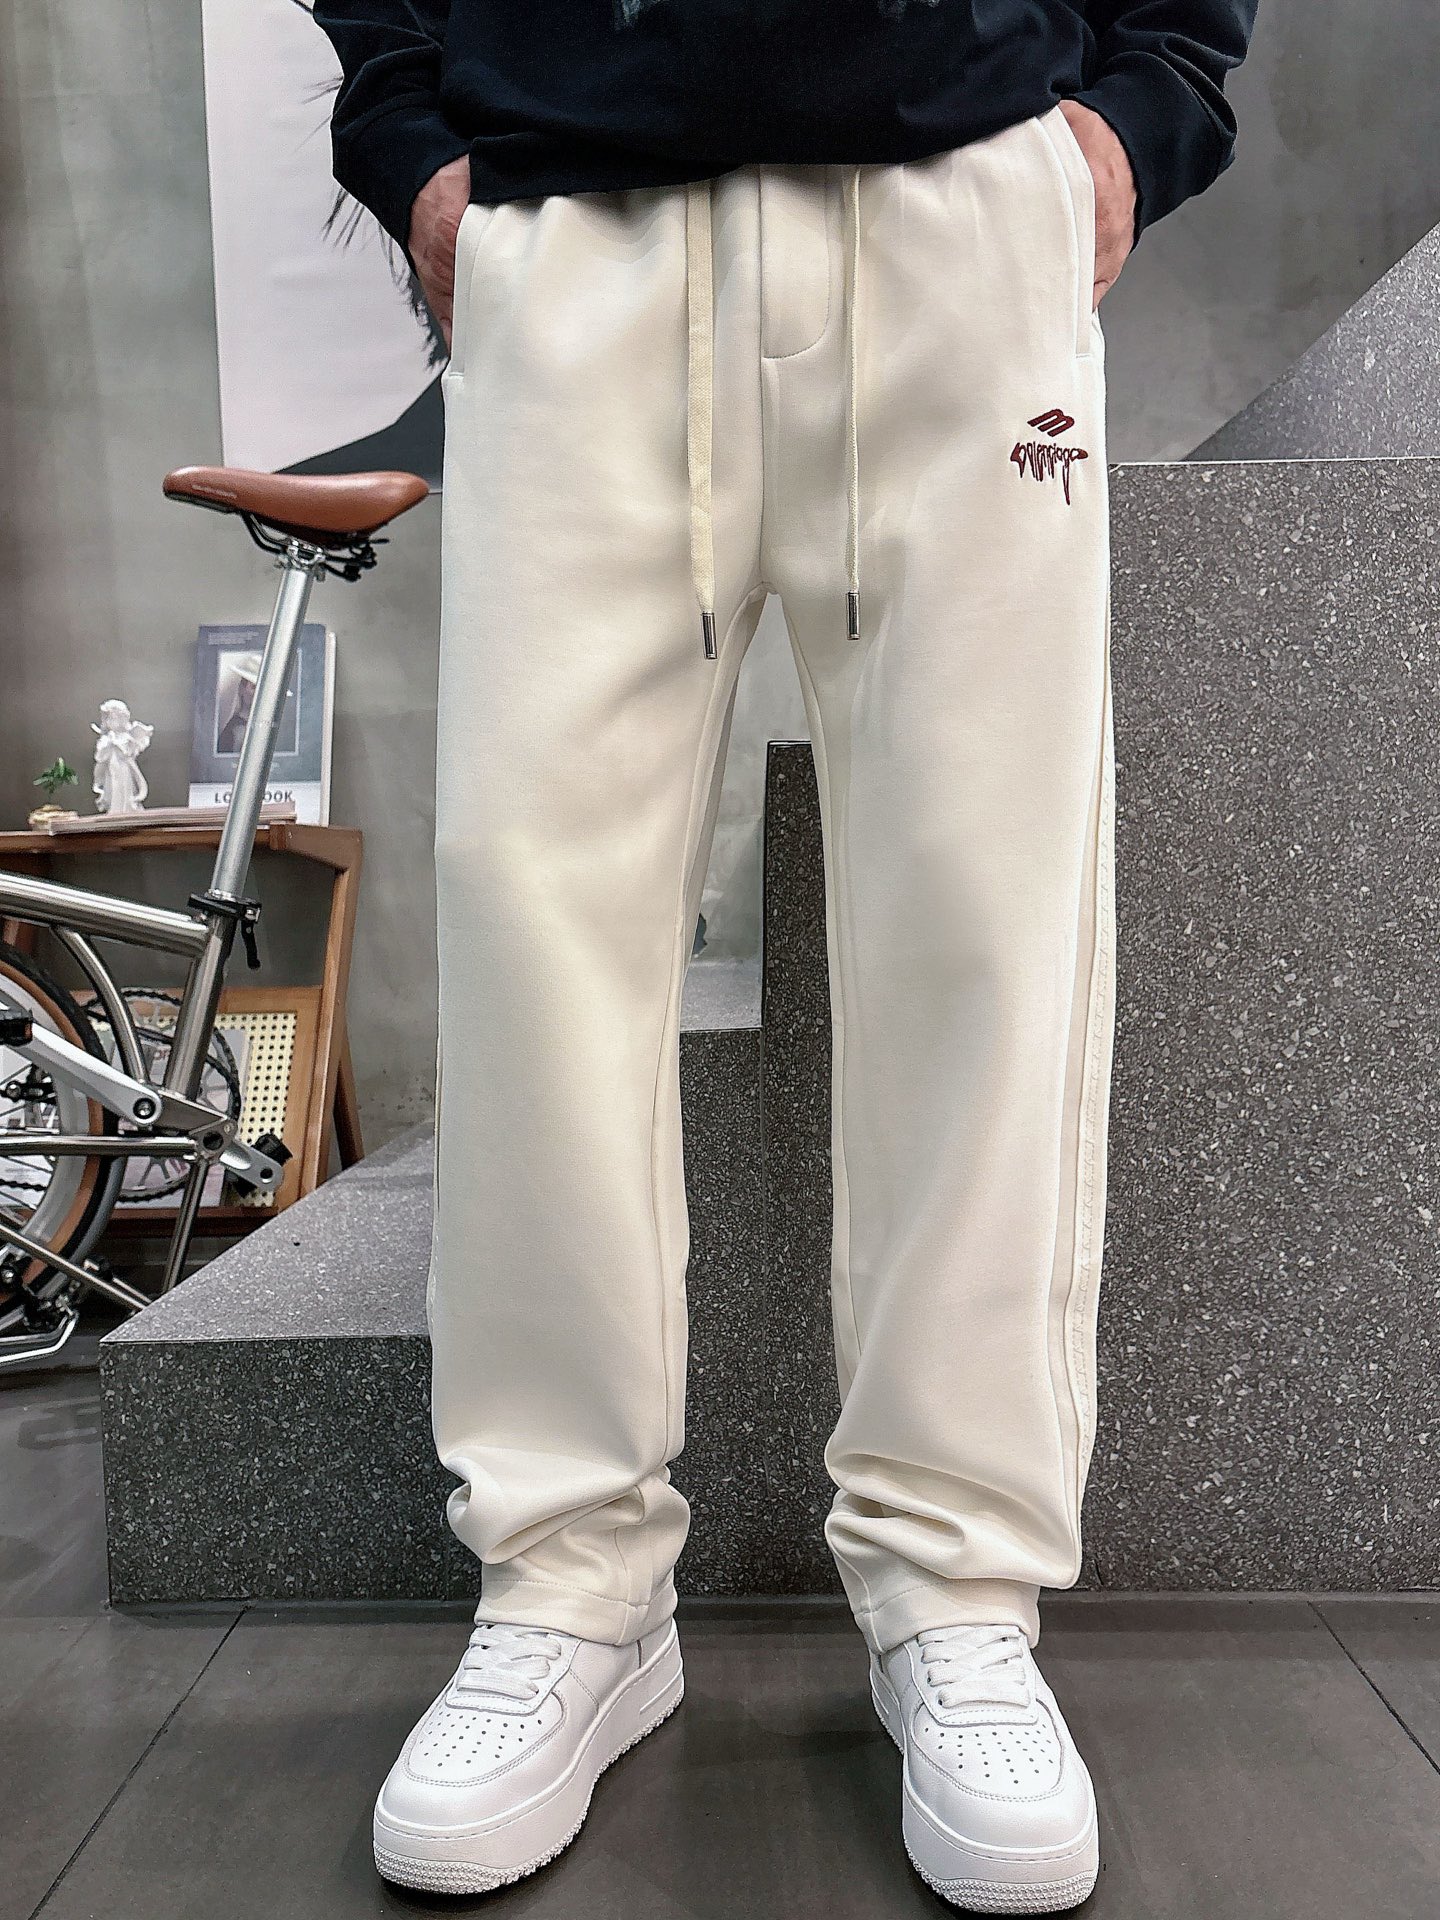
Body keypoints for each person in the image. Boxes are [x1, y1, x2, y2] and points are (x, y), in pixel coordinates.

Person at [313, 3, 1256, 1908]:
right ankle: (568, 1584)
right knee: (532, 935)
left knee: (986, 928)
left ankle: (956, 1590)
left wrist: (1147, 102)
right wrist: (407, 136)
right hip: (573, 218)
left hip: (965, 206)